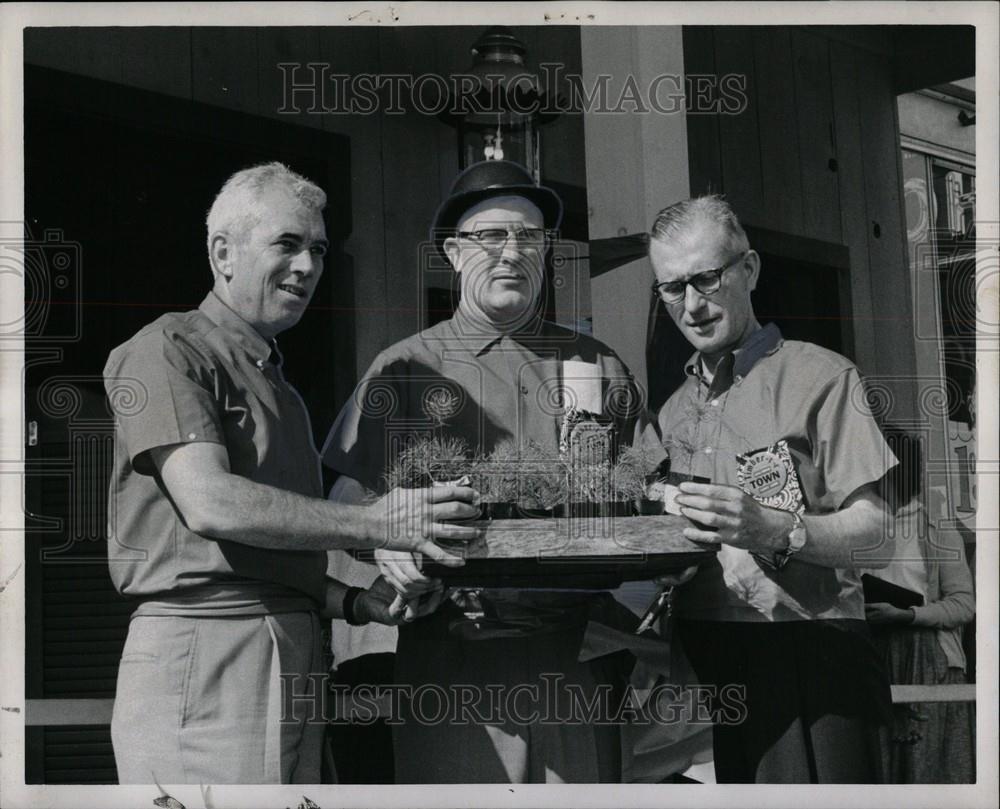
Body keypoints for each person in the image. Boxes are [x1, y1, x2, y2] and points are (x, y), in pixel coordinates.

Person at [103, 162, 480, 785]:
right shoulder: (168, 349)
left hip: (290, 651)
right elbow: (211, 506)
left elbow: (271, 555)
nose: (307, 266)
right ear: (223, 253)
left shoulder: (276, 383)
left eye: (318, 249)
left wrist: (360, 604)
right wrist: (376, 521)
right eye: (287, 243)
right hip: (208, 650)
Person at [322, 160, 641, 783]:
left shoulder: (594, 364)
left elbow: (648, 493)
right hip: (452, 657)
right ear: (451, 252)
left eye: (529, 237)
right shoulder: (407, 368)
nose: (512, 252)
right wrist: (386, 542)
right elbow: (346, 501)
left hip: (573, 657)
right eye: (490, 236)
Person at [642, 195, 897, 783]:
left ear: (749, 270)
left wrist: (773, 527)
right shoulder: (674, 412)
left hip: (809, 652)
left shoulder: (823, 377)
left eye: (707, 277)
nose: (693, 305)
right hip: (705, 660)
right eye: (672, 288)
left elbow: (879, 536)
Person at [863, 429, 975, 783]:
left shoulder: (935, 527)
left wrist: (909, 615)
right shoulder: (859, 527)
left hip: (926, 654)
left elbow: (964, 604)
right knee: (880, 769)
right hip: (872, 653)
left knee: (929, 766)